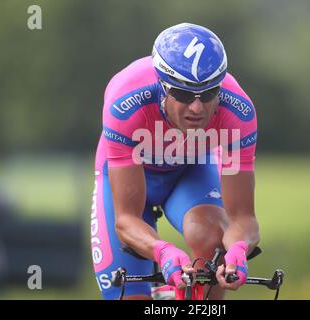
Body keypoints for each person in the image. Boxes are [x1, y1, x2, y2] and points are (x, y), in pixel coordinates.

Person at [91, 22, 259, 300]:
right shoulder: (126, 102)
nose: (197, 107)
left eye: (208, 94)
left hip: (189, 172)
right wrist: (164, 251)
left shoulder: (237, 112)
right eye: (182, 94)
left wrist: (238, 250)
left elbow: (244, 219)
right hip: (128, 177)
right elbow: (126, 219)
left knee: (213, 239)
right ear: (162, 86)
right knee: (129, 295)